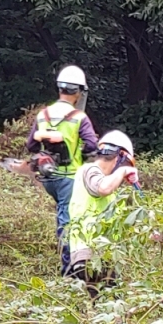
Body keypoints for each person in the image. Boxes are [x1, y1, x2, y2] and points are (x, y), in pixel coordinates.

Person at [25, 65, 99, 274]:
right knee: (68, 221)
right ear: (78, 92)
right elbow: (92, 146)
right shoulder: (79, 117)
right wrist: (82, 154)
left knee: (64, 216)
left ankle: (71, 263)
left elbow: (31, 146)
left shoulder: (43, 114)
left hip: (48, 178)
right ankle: (69, 270)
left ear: (59, 89)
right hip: (70, 178)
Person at [65, 130, 139, 299]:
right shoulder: (89, 171)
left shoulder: (112, 195)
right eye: (126, 164)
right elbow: (102, 188)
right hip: (91, 255)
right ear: (119, 157)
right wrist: (122, 172)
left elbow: (121, 226)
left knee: (104, 308)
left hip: (105, 256)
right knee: (107, 309)